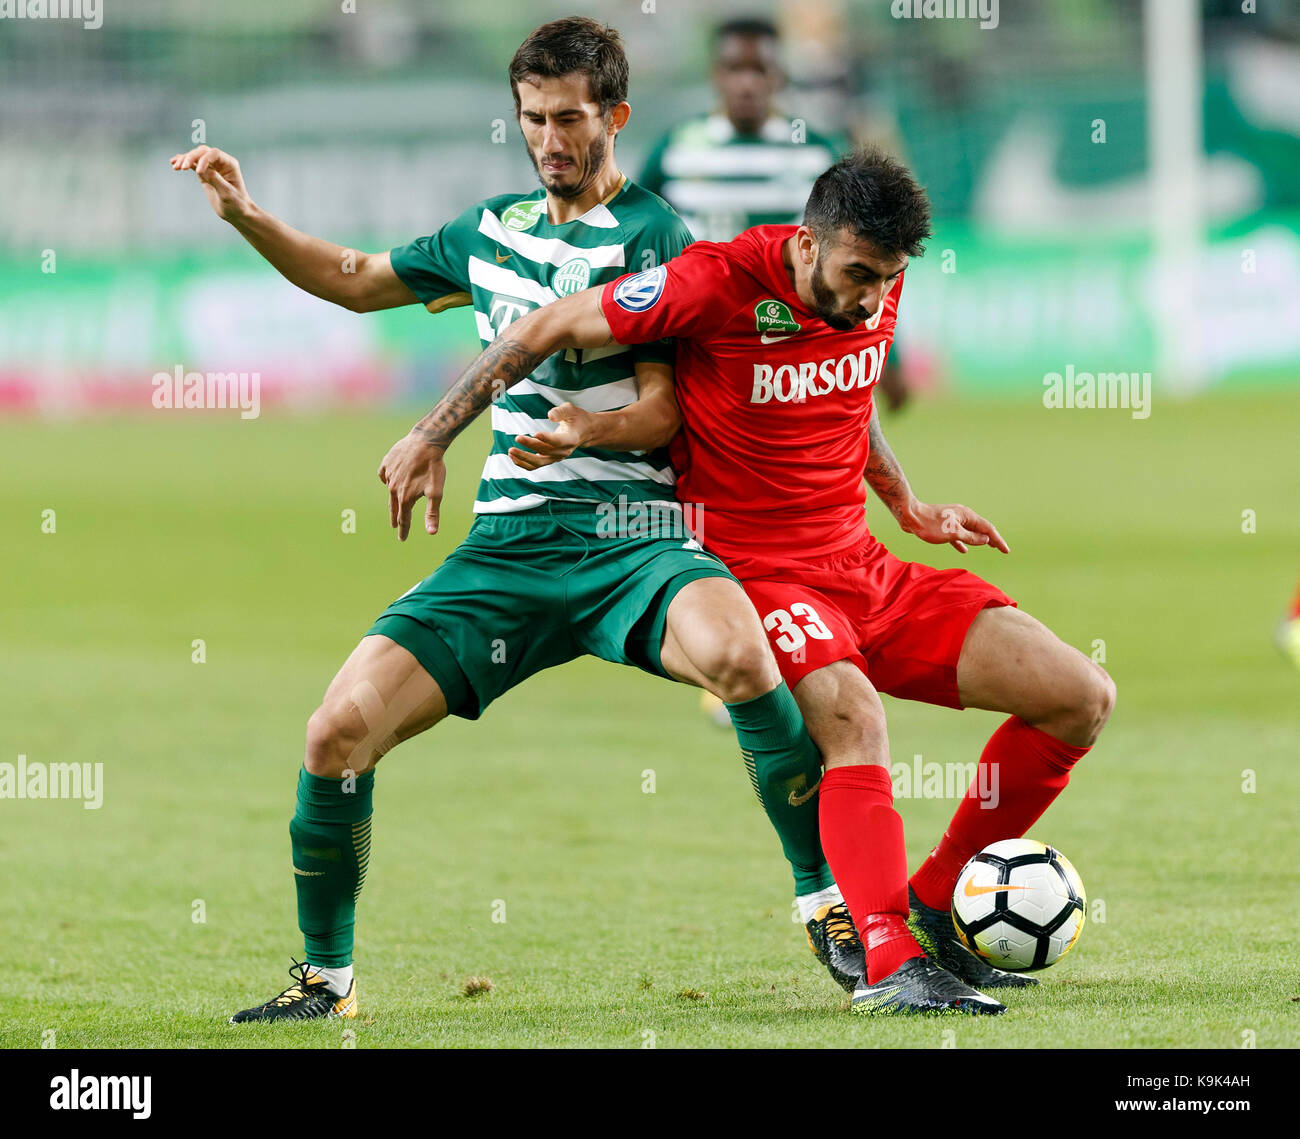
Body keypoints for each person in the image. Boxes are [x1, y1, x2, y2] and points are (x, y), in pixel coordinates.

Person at [172, 17, 863, 1023]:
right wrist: (245, 213)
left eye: (571, 118)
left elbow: (672, 405)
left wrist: (589, 426)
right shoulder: (485, 234)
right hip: (507, 548)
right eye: (534, 119)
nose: (550, 139)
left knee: (742, 657)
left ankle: (829, 906)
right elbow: (356, 279)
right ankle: (326, 977)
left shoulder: (657, 236)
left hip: (635, 538)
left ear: (615, 117)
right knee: (336, 732)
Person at [393, 148, 1117, 1015]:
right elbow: (543, 326)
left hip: (863, 566)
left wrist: (908, 504)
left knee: (1080, 695)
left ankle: (932, 907)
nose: (870, 299)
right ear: (806, 244)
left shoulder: (869, 282)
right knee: (855, 718)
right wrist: (436, 434)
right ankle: (886, 958)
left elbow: (847, 401)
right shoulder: (710, 283)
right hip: (757, 574)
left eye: (887, 280)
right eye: (856, 275)